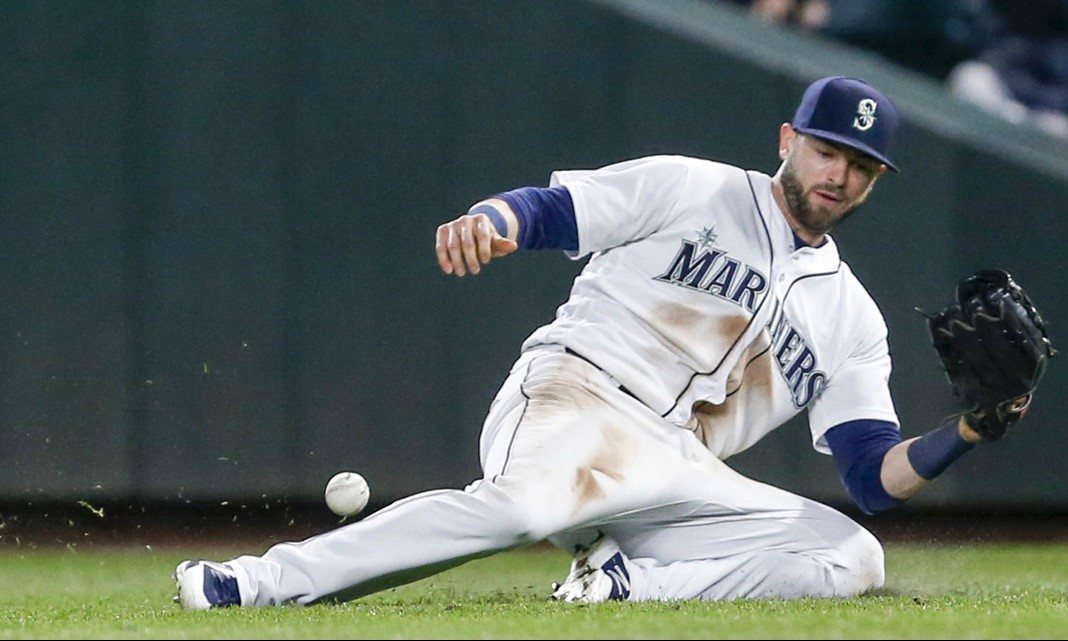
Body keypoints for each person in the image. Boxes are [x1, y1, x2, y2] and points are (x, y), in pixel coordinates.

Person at [174, 76, 996, 608]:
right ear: (788, 140)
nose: (839, 174)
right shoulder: (694, 186)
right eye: (827, 150)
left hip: (678, 470)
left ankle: (625, 583)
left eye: (861, 165)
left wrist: (969, 429)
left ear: (877, 179)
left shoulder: (852, 317)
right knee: (522, 506)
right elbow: (553, 210)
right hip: (579, 396)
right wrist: (492, 221)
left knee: (852, 553)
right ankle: (254, 581)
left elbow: (872, 475)